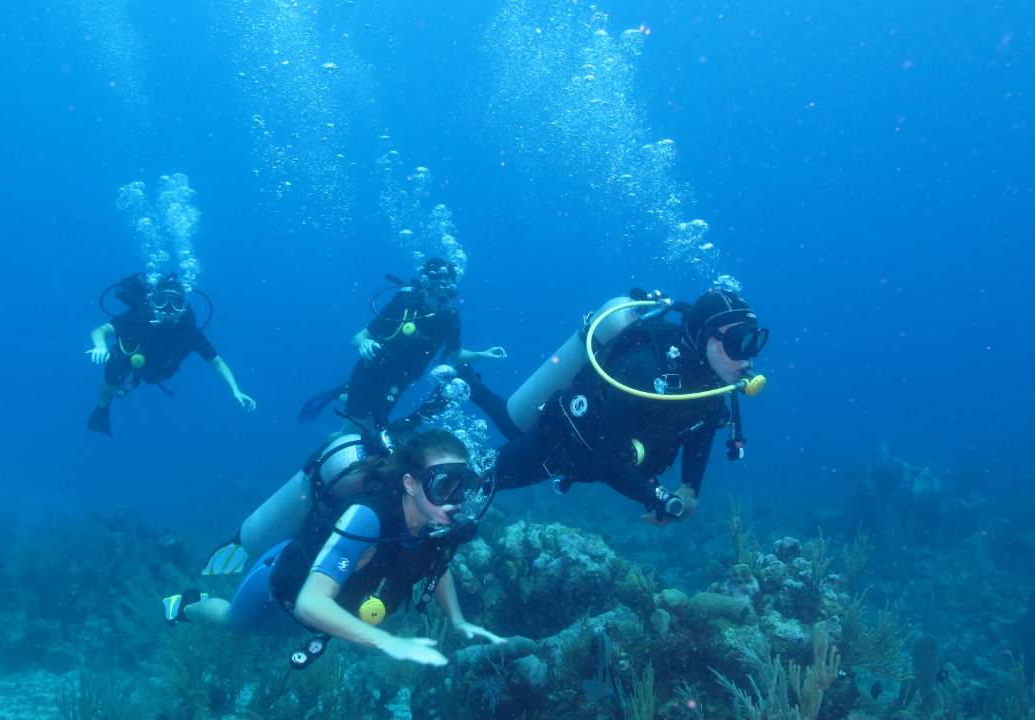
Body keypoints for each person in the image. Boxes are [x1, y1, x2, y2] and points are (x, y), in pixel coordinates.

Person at [165, 429, 506, 667]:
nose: (457, 502)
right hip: (282, 584)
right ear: (410, 484)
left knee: (265, 636)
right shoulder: (366, 519)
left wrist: (458, 621)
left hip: (332, 612)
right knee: (234, 624)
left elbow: (436, 564)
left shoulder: (436, 525)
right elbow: (310, 603)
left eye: (466, 487)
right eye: (445, 486)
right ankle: (184, 606)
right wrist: (389, 643)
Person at [460, 287, 769, 524]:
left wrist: (690, 486)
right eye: (738, 342)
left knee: (506, 420)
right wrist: (657, 499)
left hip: (603, 455)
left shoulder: (710, 380)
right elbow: (605, 457)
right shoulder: (643, 373)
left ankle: (467, 383)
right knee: (477, 480)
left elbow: (701, 429)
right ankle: (462, 382)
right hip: (557, 447)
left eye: (754, 342)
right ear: (705, 338)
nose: (748, 358)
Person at [302, 258, 506, 432]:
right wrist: (364, 345)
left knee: (373, 427)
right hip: (372, 370)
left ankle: (345, 394)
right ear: (426, 283)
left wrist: (483, 355)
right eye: (436, 286)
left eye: (448, 288)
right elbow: (359, 337)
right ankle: (316, 466)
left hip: (400, 381)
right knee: (357, 430)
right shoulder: (405, 302)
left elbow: (456, 354)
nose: (440, 294)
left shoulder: (449, 318)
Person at [85, 273, 256, 436]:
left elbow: (217, 362)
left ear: (183, 308)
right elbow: (100, 330)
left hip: (159, 365)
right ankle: (102, 408)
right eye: (161, 302)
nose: (168, 309)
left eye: (176, 304)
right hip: (129, 355)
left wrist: (236, 390)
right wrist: (100, 346)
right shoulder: (139, 314)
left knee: (153, 378)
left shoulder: (188, 330)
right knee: (111, 380)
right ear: (152, 301)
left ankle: (136, 380)